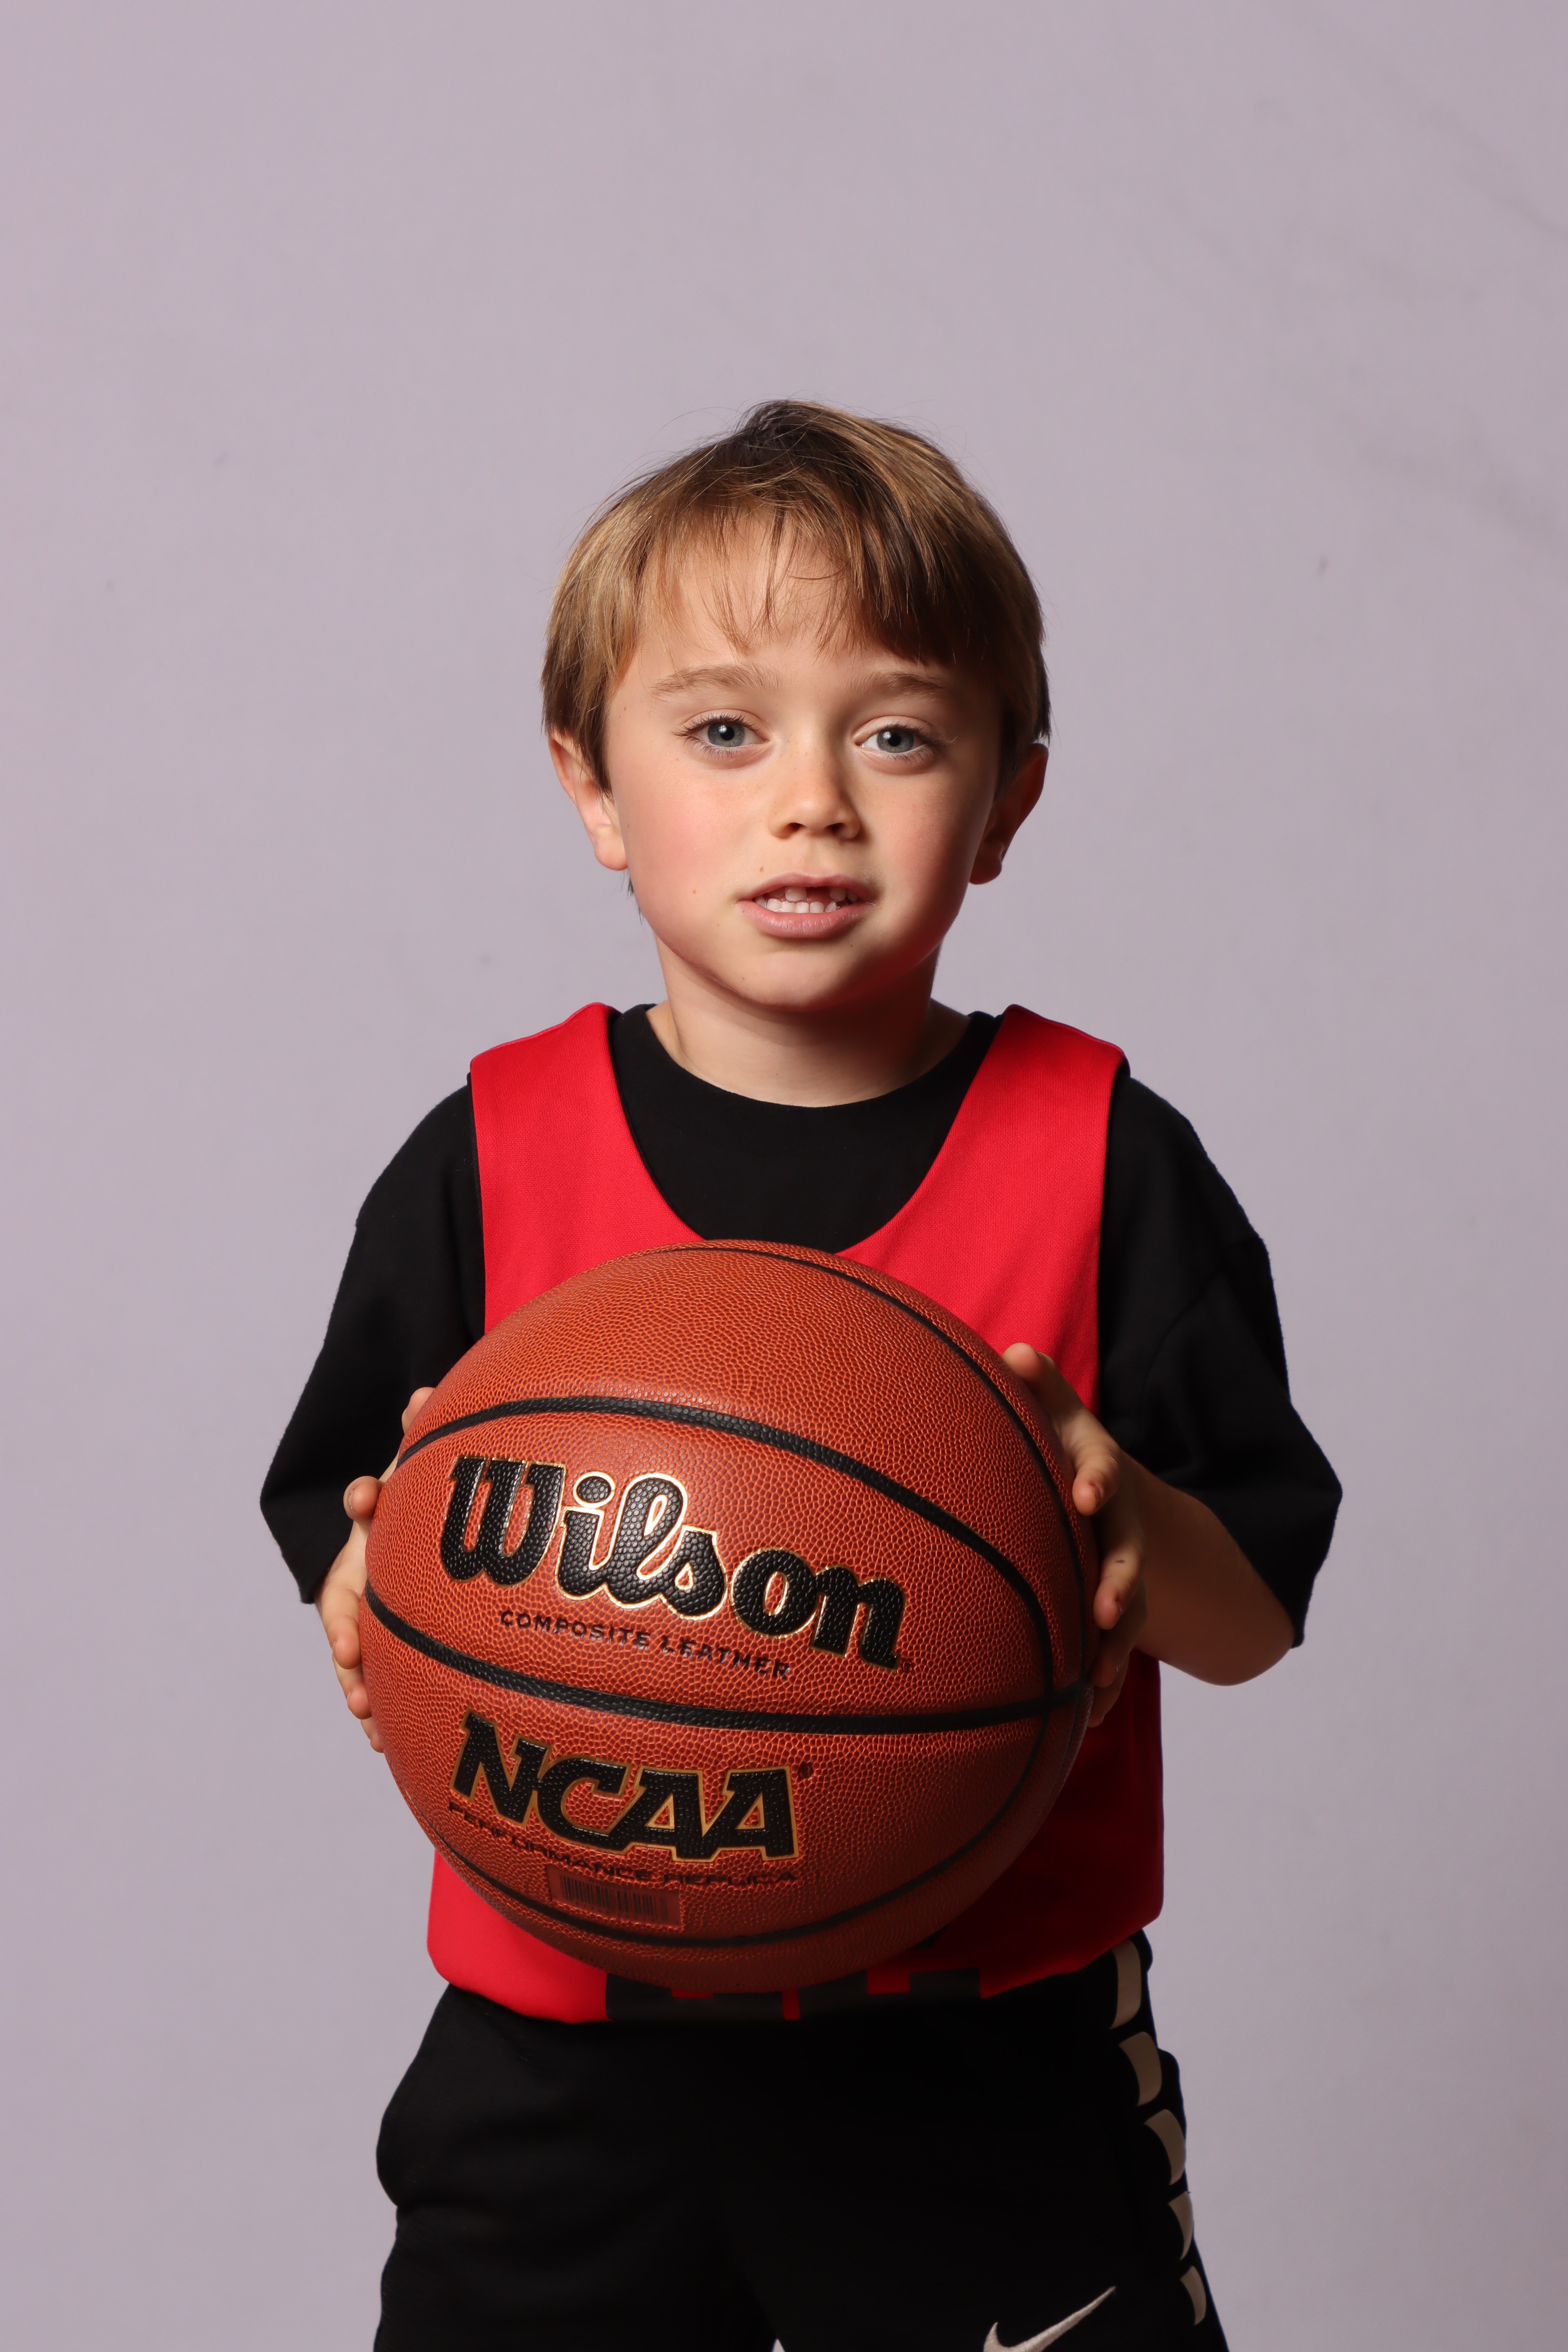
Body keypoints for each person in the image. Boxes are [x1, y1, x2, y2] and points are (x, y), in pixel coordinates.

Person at [262, 400, 1340, 2352]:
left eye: (897, 735)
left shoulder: (1106, 1158)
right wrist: (377, 1582)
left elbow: (1254, 1609)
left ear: (1007, 800)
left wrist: (1120, 1530)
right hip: (564, 2055)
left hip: (985, 2061)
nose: (813, 801)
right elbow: (349, 1528)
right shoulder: (488, 1154)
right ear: (591, 785)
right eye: (723, 731)